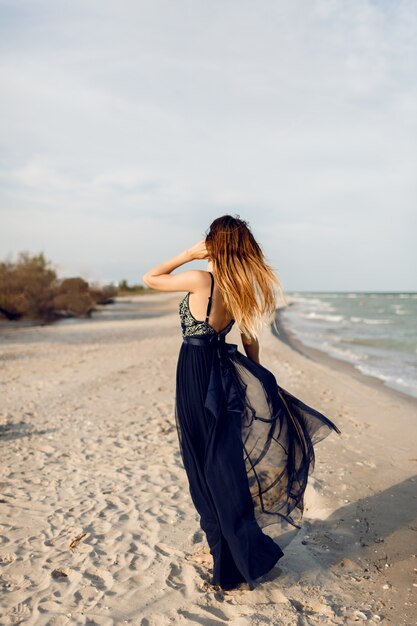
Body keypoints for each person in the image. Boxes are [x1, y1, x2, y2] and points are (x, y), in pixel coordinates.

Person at [143, 214, 341, 591]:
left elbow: (150, 278)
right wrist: (257, 378)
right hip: (224, 374)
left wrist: (188, 253)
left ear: (212, 244)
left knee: (202, 465)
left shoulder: (202, 278)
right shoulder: (241, 286)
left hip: (195, 373)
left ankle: (227, 556)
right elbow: (250, 340)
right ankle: (229, 551)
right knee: (223, 465)